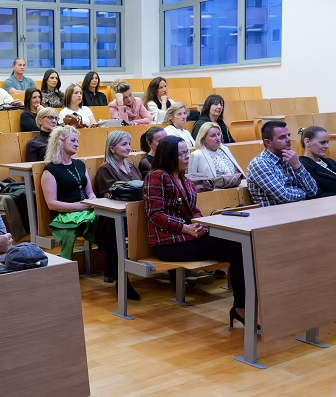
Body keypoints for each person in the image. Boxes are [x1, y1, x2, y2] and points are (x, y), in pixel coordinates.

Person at [143, 136, 248, 326]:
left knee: (239, 246)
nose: (187, 157)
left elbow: (193, 210)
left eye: (187, 152)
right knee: (238, 246)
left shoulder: (182, 176)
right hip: (168, 243)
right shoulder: (157, 176)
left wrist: (200, 223)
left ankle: (242, 306)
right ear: (168, 156)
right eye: (181, 154)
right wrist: (186, 228)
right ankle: (241, 307)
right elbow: (155, 214)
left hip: (187, 236)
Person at [93, 130, 144, 299]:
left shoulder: (132, 167)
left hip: (134, 212)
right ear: (112, 148)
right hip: (112, 216)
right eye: (124, 144)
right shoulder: (105, 169)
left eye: (129, 144)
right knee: (115, 228)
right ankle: (121, 278)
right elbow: (109, 196)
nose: (128, 147)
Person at [40, 126, 97, 259]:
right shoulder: (50, 170)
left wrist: (93, 200)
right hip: (66, 216)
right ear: (60, 141)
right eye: (72, 140)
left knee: (110, 219)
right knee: (106, 221)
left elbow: (90, 192)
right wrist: (82, 206)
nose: (77, 144)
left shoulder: (80, 164)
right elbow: (51, 204)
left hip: (86, 211)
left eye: (77, 141)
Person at [247, 121, 318, 206]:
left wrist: (298, 166)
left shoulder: (290, 159)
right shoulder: (259, 164)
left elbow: (313, 191)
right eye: (282, 137)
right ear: (268, 142)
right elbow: (284, 196)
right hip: (274, 213)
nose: (289, 139)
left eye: (289, 135)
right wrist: (304, 193)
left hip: (297, 209)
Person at [298, 126, 336, 198]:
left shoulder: (330, 162)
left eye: (327, 142)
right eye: (322, 142)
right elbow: (318, 195)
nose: (327, 146)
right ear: (307, 142)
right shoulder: (302, 167)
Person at [188, 122, 245, 188]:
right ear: (203, 139)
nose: (218, 138)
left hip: (234, 187)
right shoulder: (196, 155)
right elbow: (192, 183)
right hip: (213, 192)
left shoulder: (225, 149)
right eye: (213, 136)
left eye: (218, 134)